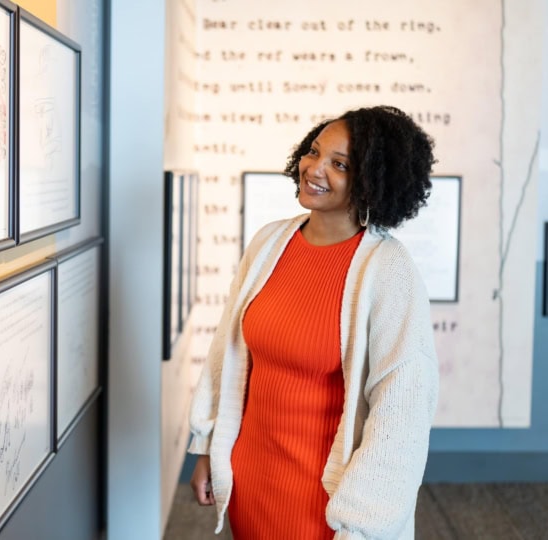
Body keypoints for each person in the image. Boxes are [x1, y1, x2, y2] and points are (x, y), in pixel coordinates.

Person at [188, 105, 440, 539]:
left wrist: (362, 522)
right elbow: (225, 353)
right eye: (313, 151)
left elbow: (401, 414)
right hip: (251, 478)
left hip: (326, 500)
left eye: (339, 164)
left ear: (373, 180)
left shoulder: (388, 269)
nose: (314, 168)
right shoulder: (269, 241)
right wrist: (209, 447)